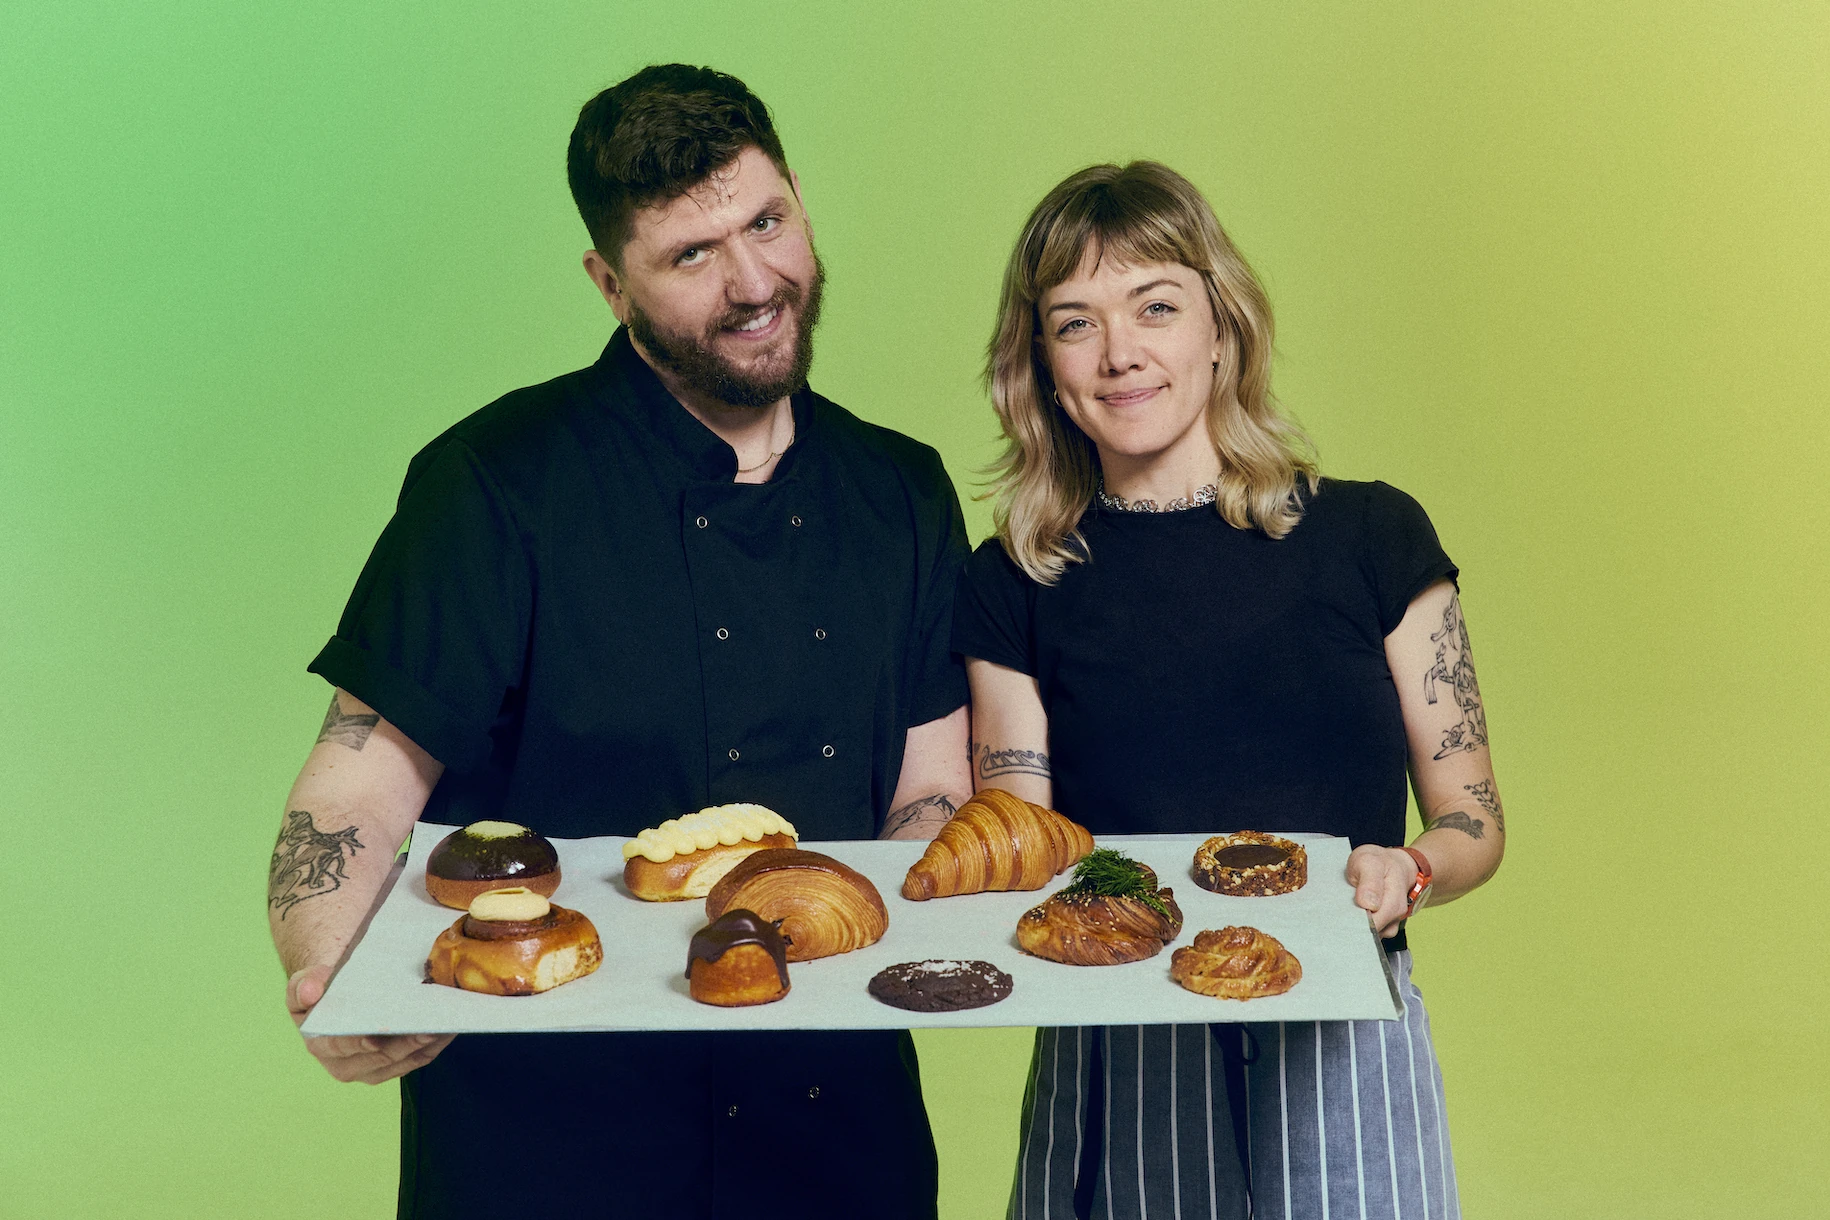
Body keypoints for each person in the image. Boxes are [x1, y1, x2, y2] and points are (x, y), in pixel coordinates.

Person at [267, 64, 971, 1220]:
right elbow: (354, 784)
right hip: (549, 1146)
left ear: (797, 193)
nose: (755, 282)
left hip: (836, 1136)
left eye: (767, 222)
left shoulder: (902, 490)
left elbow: (931, 783)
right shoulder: (494, 485)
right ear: (609, 282)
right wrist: (336, 966)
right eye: (691, 256)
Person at [954, 161, 1505, 1219]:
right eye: (1075, 322)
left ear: (1222, 325)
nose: (1121, 354)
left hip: (1347, 1034)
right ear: (1040, 363)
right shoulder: (1014, 580)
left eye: (1155, 307)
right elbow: (1018, 831)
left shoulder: (1375, 537)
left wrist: (1412, 870)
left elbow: (1472, 817)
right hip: (1115, 1044)